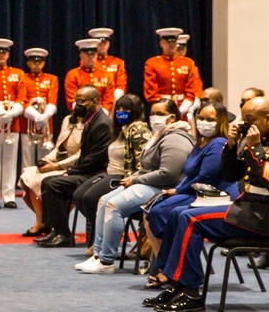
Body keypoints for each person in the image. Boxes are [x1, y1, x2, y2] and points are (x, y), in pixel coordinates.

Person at [147, 97, 269, 312]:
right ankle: (176, 283)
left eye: (250, 120)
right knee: (176, 213)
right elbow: (230, 174)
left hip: (265, 218)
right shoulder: (257, 141)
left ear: (268, 118)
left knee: (190, 218)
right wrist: (230, 147)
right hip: (247, 210)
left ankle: (190, 292)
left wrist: (255, 148)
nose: (246, 125)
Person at [77, 98, 194, 273]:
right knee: (103, 200)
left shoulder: (176, 138)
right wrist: (133, 177)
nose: (154, 117)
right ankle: (97, 255)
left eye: (160, 114)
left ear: (171, 118)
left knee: (113, 205)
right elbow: (146, 167)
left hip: (164, 189)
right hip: (150, 183)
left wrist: (136, 180)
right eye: (153, 113)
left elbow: (167, 174)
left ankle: (106, 261)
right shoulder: (160, 136)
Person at [143, 102, 235, 287]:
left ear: (221, 122)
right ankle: (167, 266)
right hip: (195, 191)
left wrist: (178, 191)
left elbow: (205, 178)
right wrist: (176, 190)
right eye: (201, 118)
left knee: (163, 212)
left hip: (212, 195)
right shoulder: (201, 142)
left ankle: (167, 268)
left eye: (210, 119)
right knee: (153, 207)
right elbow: (189, 174)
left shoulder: (218, 143)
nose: (204, 122)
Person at [72, 94, 153, 253]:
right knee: (79, 195)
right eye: (119, 109)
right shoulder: (119, 129)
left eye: (126, 110)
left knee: (91, 198)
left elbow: (142, 162)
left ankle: (105, 241)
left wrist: (133, 180)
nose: (121, 112)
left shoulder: (138, 130)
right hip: (109, 171)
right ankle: (98, 238)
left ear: (135, 111)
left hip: (124, 176)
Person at [36, 86, 113, 248]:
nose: (77, 104)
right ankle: (57, 230)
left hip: (97, 174)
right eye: (76, 100)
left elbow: (95, 160)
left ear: (95, 101)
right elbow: (85, 156)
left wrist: (69, 172)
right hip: (87, 170)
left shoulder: (102, 124)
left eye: (82, 101)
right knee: (47, 181)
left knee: (54, 184)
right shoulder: (89, 120)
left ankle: (63, 234)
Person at [18, 107, 85, 237]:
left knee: (51, 182)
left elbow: (81, 154)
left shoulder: (91, 124)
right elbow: (59, 147)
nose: (78, 104)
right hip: (59, 162)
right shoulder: (67, 120)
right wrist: (46, 160)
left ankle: (59, 223)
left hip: (78, 167)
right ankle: (41, 222)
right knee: (31, 174)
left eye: (82, 100)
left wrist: (55, 166)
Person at [0, 38, 28, 209]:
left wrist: (11, 113)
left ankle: (9, 195)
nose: (1, 55)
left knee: (10, 161)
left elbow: (22, 97)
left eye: (4, 52)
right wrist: (0, 112)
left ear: (8, 54)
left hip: (13, 123)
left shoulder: (18, 73)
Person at [143, 27, 198, 117]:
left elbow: (191, 91)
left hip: (182, 108)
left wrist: (181, 110)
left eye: (174, 42)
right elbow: (151, 92)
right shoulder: (152, 63)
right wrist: (164, 109)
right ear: (161, 43)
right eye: (168, 42)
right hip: (160, 109)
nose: (171, 45)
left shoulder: (188, 63)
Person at [19, 48, 58, 171]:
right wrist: (36, 116)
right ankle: (27, 185)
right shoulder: (23, 78)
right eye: (34, 61)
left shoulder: (52, 79)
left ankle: (43, 184)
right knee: (27, 158)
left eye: (40, 61)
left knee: (45, 158)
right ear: (28, 63)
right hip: (27, 124)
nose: (37, 64)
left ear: (44, 63)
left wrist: (45, 116)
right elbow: (23, 100)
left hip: (46, 124)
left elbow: (52, 100)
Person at [64, 39, 115, 112]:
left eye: (93, 54)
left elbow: (108, 100)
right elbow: (72, 100)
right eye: (88, 54)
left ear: (97, 55)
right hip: (80, 115)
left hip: (101, 115)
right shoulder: (73, 75)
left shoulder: (107, 75)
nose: (91, 57)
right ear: (81, 55)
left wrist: (100, 115)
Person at [88, 27, 127, 102]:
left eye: (105, 42)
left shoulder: (118, 62)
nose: (102, 45)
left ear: (109, 44)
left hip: (114, 101)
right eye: (99, 43)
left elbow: (121, 84)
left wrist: (113, 100)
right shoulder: (89, 63)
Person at [176, 34, 204, 118]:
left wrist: (197, 98)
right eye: (178, 48)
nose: (181, 51)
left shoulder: (190, 63)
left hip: (187, 101)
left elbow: (197, 82)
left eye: (183, 48)